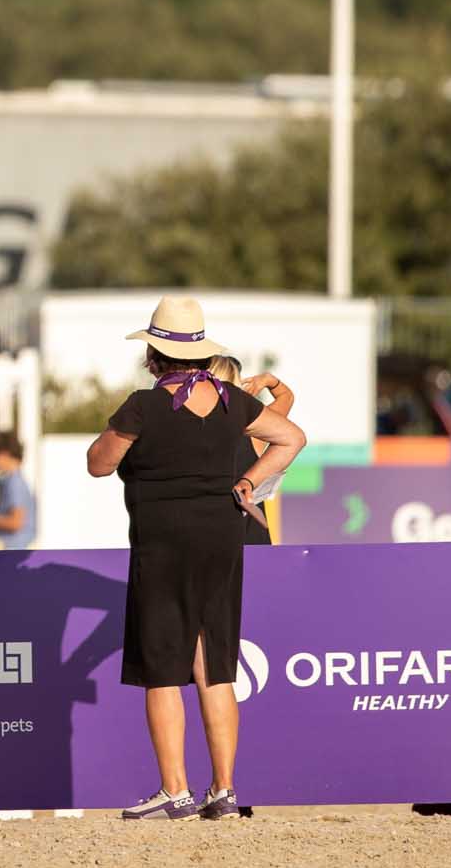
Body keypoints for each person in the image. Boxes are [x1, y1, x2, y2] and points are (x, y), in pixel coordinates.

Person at [86, 297, 304, 821]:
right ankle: (224, 790)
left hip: (163, 542)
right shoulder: (232, 400)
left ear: (153, 357)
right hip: (222, 536)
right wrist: (248, 482)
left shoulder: (143, 406)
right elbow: (291, 437)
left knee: (163, 669)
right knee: (215, 667)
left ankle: (175, 790)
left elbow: (98, 463)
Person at [208, 358, 294, 545]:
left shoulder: (189, 429)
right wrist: (268, 380)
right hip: (250, 535)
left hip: (208, 536)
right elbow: (286, 398)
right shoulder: (253, 431)